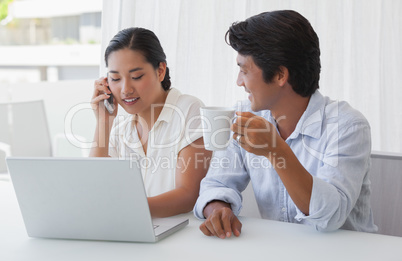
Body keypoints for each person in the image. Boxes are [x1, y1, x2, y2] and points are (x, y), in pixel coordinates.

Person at [194, 10, 377, 238]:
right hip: (281, 252)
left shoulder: (348, 126)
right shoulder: (243, 115)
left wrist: (276, 150)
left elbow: (331, 217)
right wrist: (218, 210)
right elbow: (217, 183)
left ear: (280, 75)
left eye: (244, 70)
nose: (239, 81)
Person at [90, 27, 212, 218]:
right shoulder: (120, 129)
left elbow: (188, 194)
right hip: (136, 231)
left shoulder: (189, 109)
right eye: (115, 78)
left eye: (136, 77)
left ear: (160, 71)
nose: (125, 89)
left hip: (183, 236)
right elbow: (95, 187)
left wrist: (125, 209)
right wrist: (103, 122)